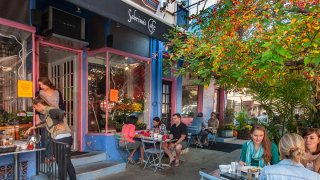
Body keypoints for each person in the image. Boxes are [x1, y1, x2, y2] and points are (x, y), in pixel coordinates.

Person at [25, 96, 76, 180]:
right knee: (67, 163)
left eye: (35, 107)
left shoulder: (50, 110)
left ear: (39, 104)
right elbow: (45, 124)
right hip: (67, 138)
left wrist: (61, 124)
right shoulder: (48, 113)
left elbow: (60, 112)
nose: (35, 109)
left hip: (61, 139)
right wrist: (32, 128)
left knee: (61, 164)